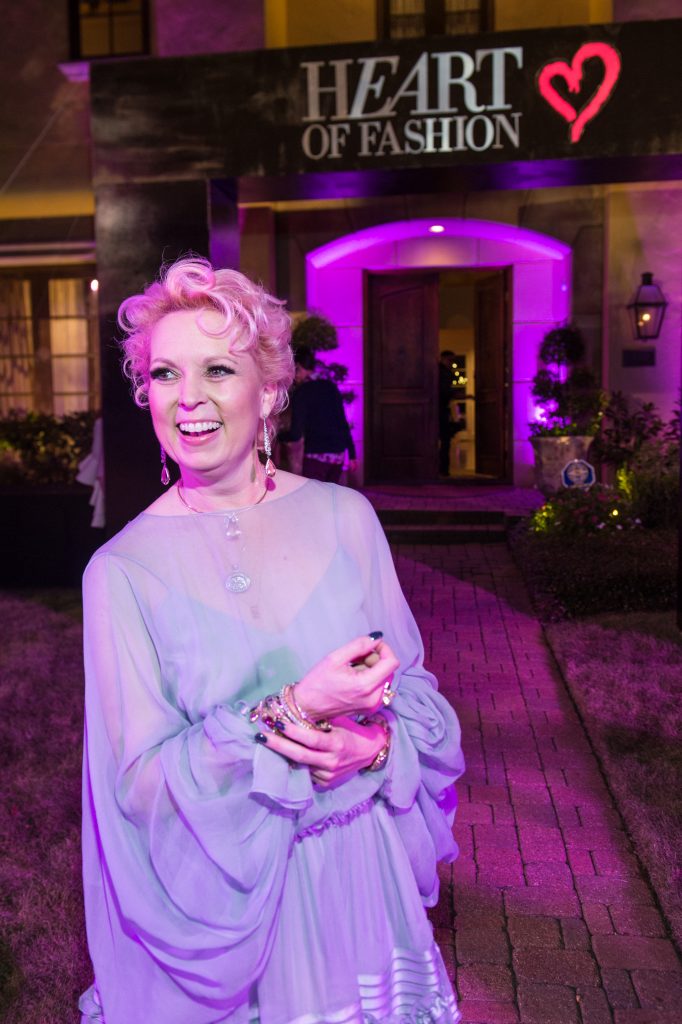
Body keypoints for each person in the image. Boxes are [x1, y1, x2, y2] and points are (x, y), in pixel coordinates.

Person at [79, 257, 465, 1024]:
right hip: (238, 910)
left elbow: (416, 693)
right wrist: (294, 710)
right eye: (164, 374)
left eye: (218, 370)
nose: (187, 398)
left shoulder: (346, 518)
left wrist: (376, 746)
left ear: (269, 391)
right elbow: (141, 787)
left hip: (362, 878)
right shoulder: (121, 572)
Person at [279, 343, 357, 483]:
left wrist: (276, 437)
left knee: (314, 495)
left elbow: (295, 435)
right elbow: (342, 422)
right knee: (332, 494)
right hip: (338, 455)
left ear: (298, 366)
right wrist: (352, 455)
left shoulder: (302, 393)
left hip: (316, 456)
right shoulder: (330, 386)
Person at [438, 350, 456, 477]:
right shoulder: (444, 373)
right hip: (440, 409)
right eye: (450, 360)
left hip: (441, 408)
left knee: (444, 440)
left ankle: (443, 468)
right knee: (445, 439)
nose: (451, 363)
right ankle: (443, 469)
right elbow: (445, 392)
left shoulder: (443, 372)